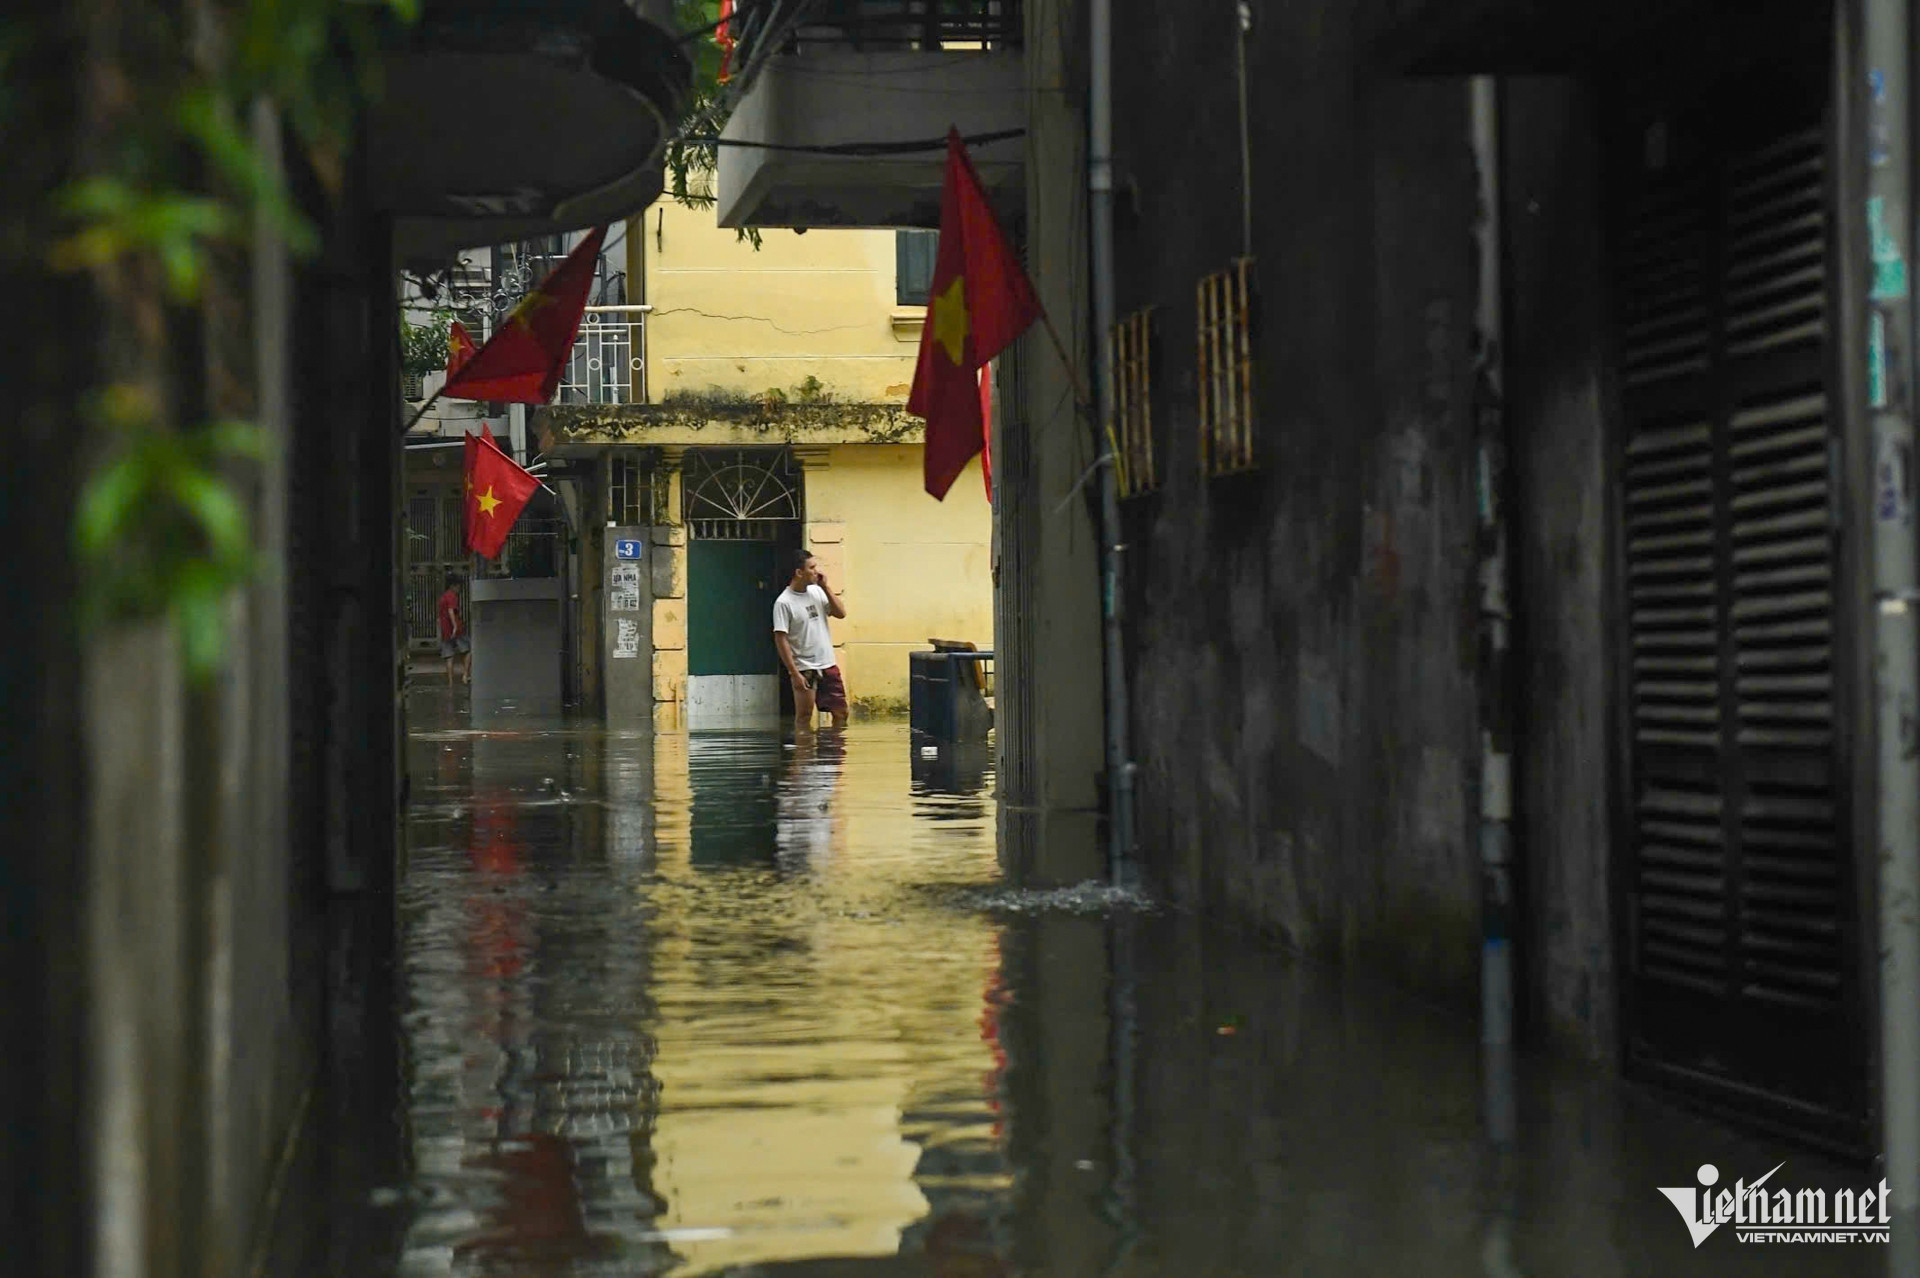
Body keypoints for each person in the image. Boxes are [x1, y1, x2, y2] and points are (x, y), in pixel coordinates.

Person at [771, 548, 848, 731]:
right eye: (812, 567)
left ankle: (832, 752)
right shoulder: (784, 602)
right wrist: (794, 673)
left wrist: (826, 588)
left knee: (841, 712)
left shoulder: (817, 591)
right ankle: (803, 756)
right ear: (799, 572)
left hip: (827, 663)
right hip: (805, 666)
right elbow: (781, 639)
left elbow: (841, 613)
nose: (817, 571)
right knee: (804, 716)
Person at [437, 572, 471, 687]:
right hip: (456, 630)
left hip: (445, 630)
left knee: (449, 656)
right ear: (452, 585)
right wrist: (455, 626)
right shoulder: (452, 596)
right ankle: (465, 675)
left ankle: (450, 682)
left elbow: (440, 615)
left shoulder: (442, 597)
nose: (459, 588)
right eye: (458, 586)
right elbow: (451, 610)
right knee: (467, 650)